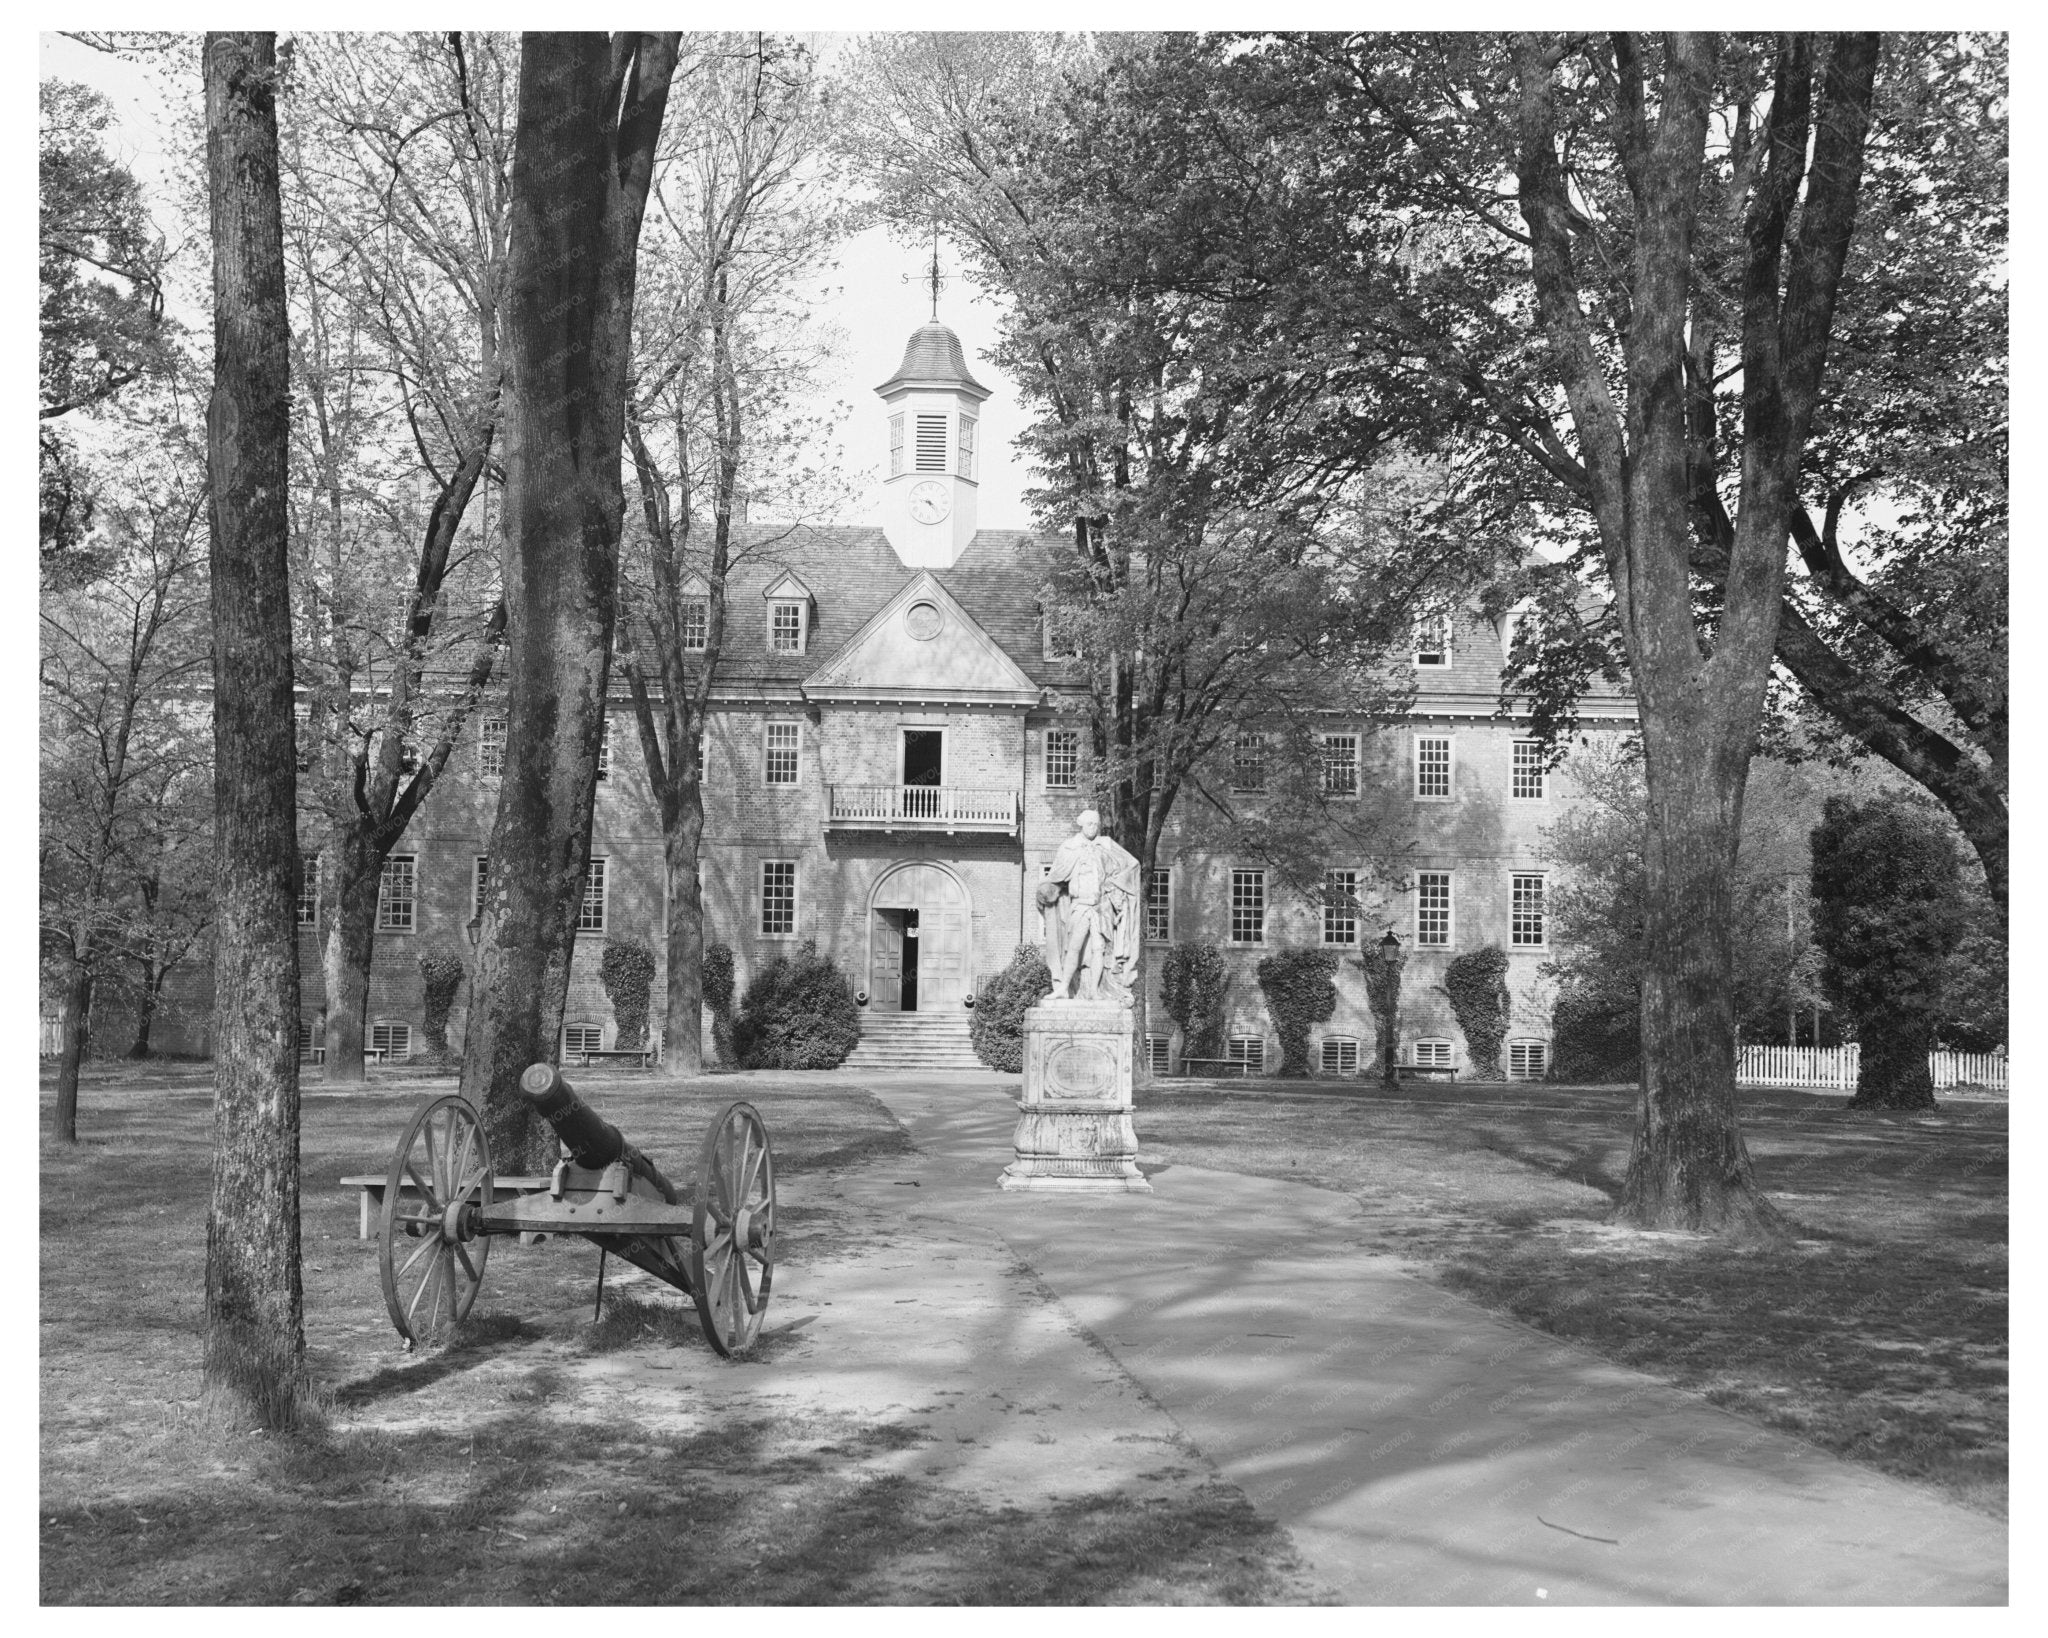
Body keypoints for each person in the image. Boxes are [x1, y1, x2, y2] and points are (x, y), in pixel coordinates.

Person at [1042, 809, 1140, 1002]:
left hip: (1101, 908)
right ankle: (1063, 987)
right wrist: (1045, 892)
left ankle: (1094, 991)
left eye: (1096, 824)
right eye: (1090, 824)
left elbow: (1132, 864)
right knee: (1074, 947)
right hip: (1080, 906)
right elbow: (1056, 877)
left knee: (1099, 949)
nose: (1093, 828)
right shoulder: (1070, 847)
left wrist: (1115, 884)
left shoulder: (1106, 846)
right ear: (1082, 824)